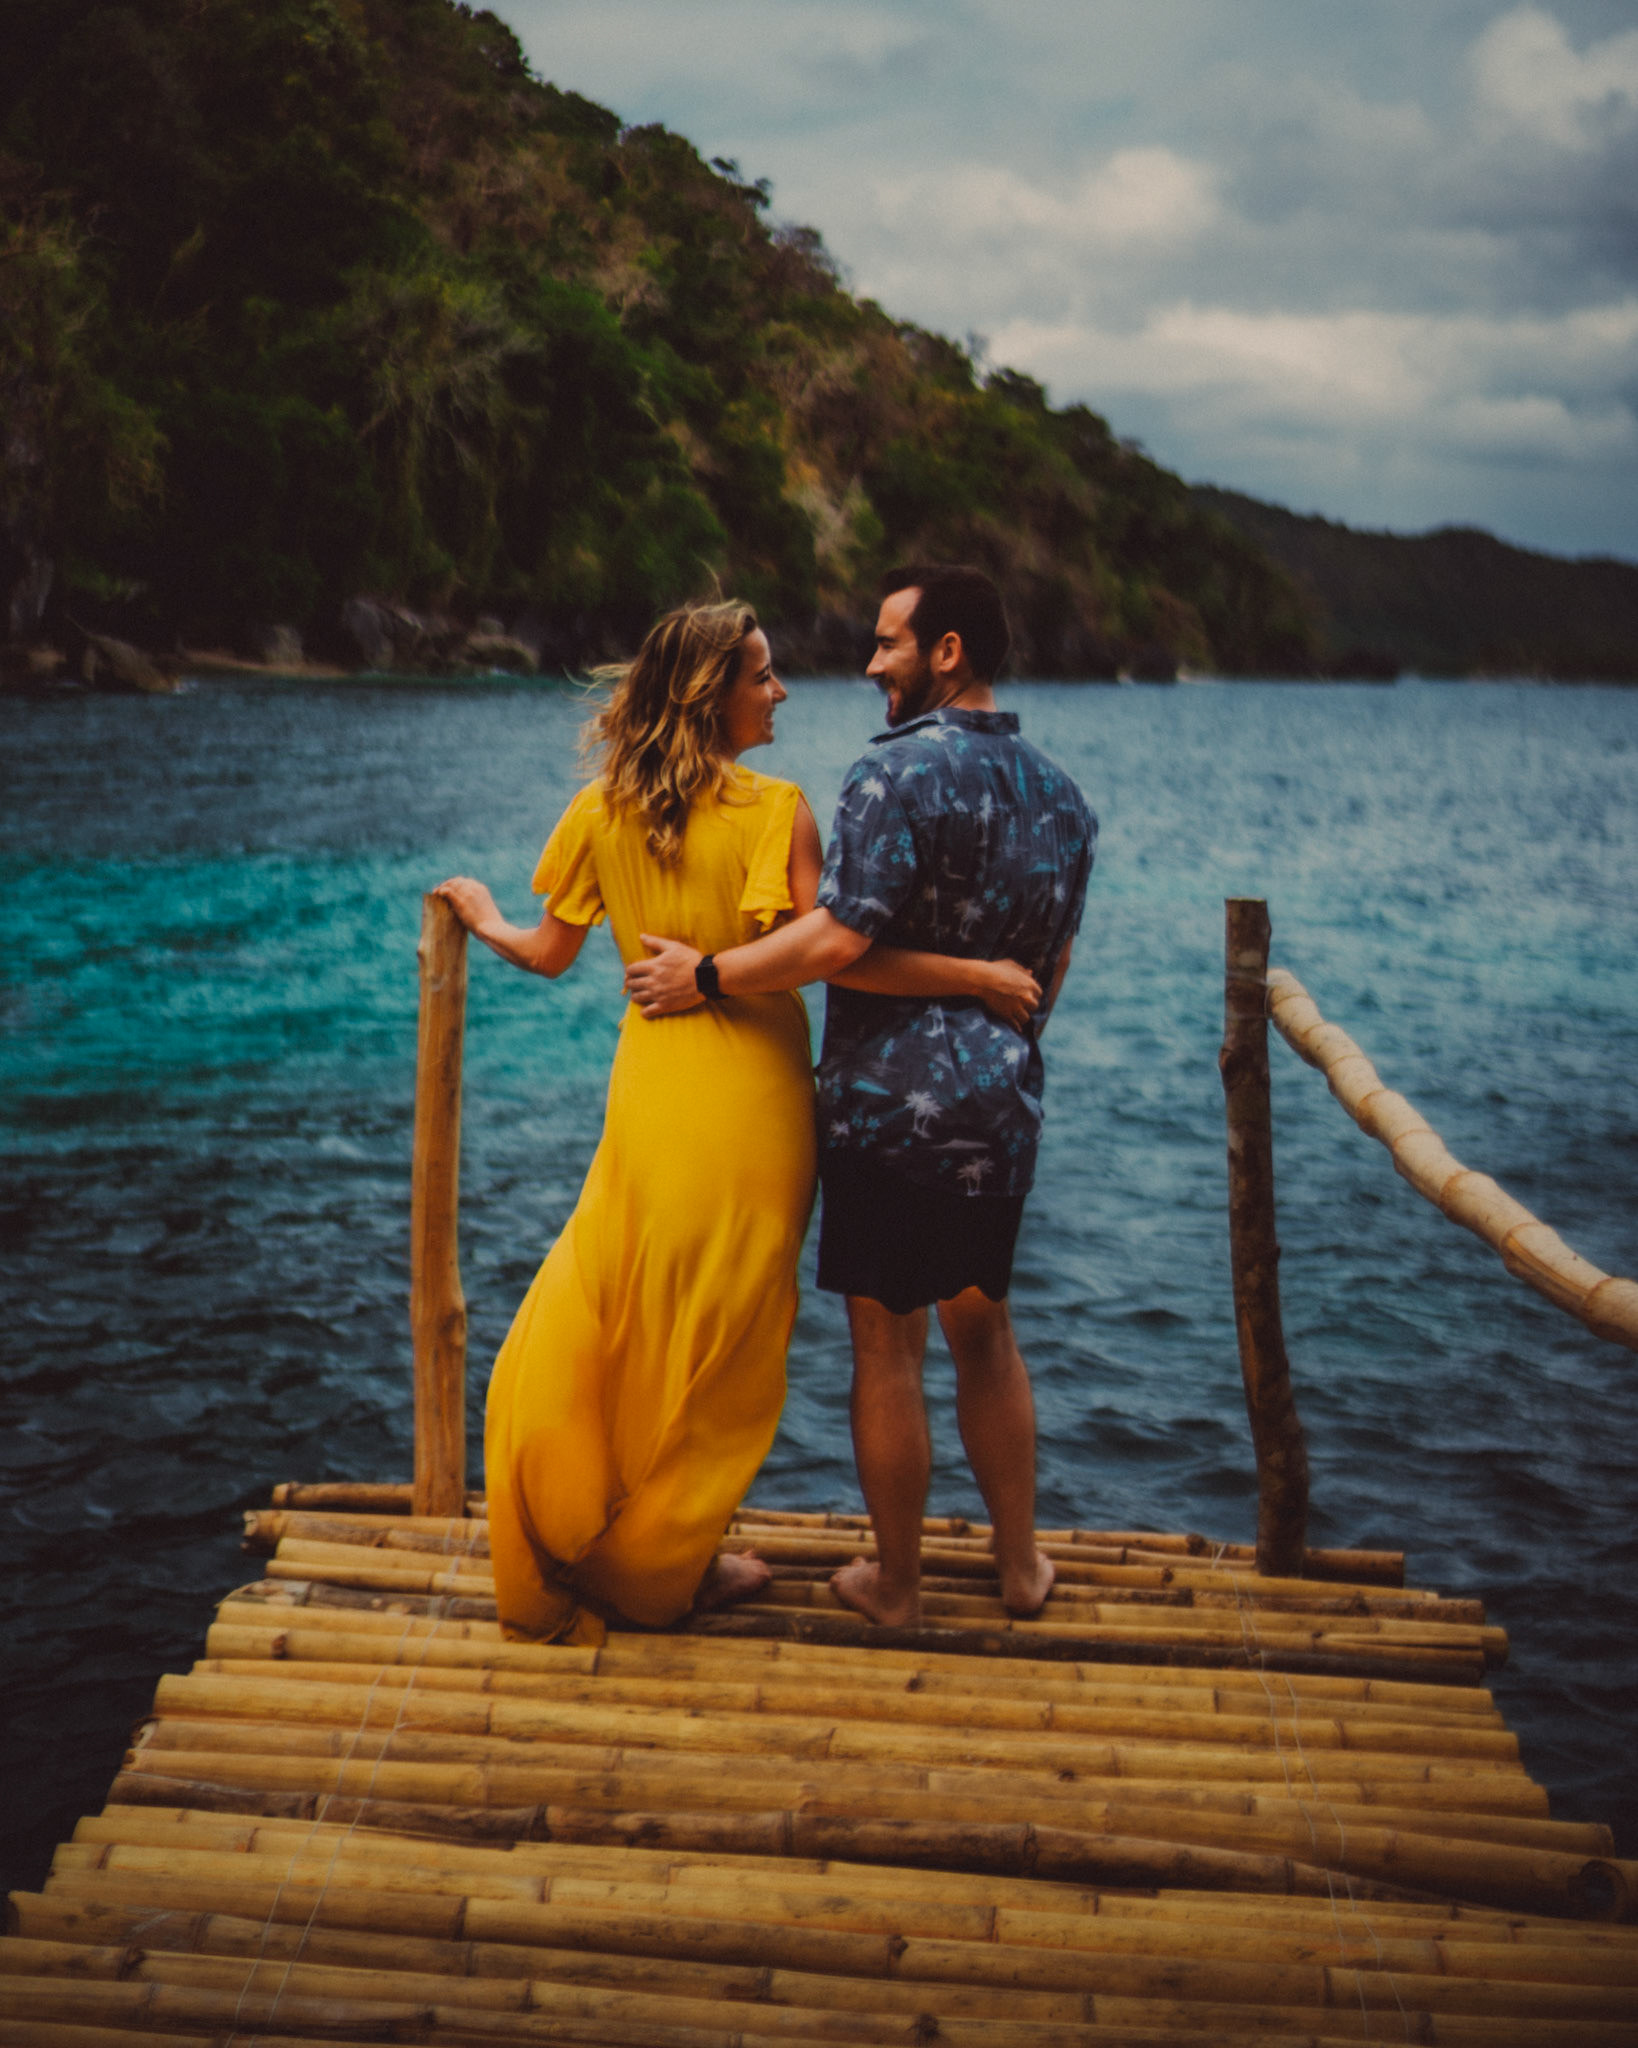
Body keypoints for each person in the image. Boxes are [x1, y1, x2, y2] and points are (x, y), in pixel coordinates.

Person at [436, 599, 1040, 1644]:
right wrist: (978, 977)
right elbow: (837, 950)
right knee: (727, 1337)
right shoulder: (778, 809)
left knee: (625, 1305)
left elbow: (546, 953)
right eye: (760, 675)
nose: (782, 690)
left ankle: (640, 1533)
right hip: (757, 1100)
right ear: (708, 693)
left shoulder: (600, 811)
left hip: (654, 1089)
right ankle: (667, 1555)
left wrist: (482, 912)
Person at [626, 565, 1096, 1629]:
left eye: (889, 643)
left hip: (892, 1113)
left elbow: (840, 943)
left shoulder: (892, 775)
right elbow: (1050, 969)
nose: (869, 664)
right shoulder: (1066, 797)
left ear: (949, 651)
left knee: (888, 1344)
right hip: (1002, 1108)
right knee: (989, 1332)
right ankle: (1022, 1568)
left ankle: (898, 1582)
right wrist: (993, 1034)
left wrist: (706, 974)